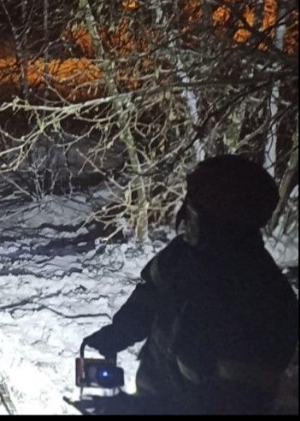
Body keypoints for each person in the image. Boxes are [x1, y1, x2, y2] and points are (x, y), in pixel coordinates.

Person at [81, 154, 298, 415]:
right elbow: (150, 292)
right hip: (149, 397)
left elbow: (234, 404)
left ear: (226, 222)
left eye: (196, 210)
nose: (186, 218)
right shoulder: (182, 256)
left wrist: (138, 410)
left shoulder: (267, 304)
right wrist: (120, 332)